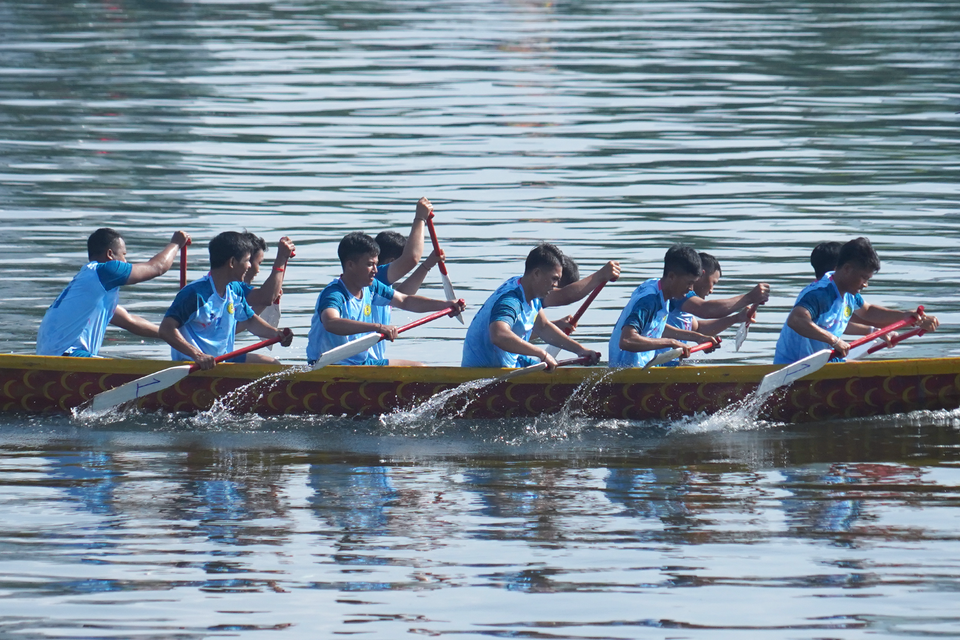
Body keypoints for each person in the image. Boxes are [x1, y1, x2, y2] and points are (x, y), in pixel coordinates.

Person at [306, 231, 465, 367]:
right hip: (328, 367)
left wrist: (444, 305)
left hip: (361, 363)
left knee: (421, 369)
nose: (375, 270)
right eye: (370, 264)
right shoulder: (334, 294)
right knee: (420, 370)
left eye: (376, 264)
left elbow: (405, 300)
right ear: (350, 265)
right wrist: (378, 327)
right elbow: (331, 323)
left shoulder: (372, 287)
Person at [773, 237, 938, 365]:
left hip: (823, 364)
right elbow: (795, 320)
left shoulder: (849, 294)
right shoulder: (820, 293)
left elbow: (869, 311)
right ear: (846, 269)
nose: (865, 284)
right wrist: (835, 341)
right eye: (864, 277)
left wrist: (906, 316)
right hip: (793, 367)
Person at [36, 228, 191, 357]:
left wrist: (171, 335)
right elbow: (158, 267)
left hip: (50, 356)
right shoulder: (106, 271)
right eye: (123, 255)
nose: (125, 262)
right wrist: (176, 243)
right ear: (110, 254)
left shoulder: (89, 286)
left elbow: (130, 321)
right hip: (68, 356)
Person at [160, 232, 293, 369]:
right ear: (232, 262)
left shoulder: (234, 289)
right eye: (247, 260)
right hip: (194, 365)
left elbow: (250, 320)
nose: (249, 266)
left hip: (220, 363)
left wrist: (276, 333)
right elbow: (166, 329)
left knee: (273, 366)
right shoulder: (195, 294)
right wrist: (197, 355)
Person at [461, 243, 599, 371]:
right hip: (483, 372)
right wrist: (542, 354)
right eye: (554, 279)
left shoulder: (530, 293)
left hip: (509, 363)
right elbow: (499, 335)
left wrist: (580, 350)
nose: (556, 285)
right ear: (537, 274)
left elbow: (543, 327)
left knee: (553, 372)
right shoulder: (511, 300)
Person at [608, 245, 720, 368]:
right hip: (628, 373)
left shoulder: (658, 287)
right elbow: (627, 340)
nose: (691, 289)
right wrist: (671, 342)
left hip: (643, 369)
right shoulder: (649, 300)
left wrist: (698, 338)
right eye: (689, 283)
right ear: (672, 276)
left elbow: (654, 327)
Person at [370, 197, 443, 360]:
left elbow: (404, 295)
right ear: (390, 262)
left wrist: (427, 266)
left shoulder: (377, 285)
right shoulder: (375, 276)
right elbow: (411, 258)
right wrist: (420, 218)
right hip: (359, 363)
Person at [653, 252, 756, 365]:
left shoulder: (685, 307)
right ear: (701, 275)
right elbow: (706, 310)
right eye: (713, 283)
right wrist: (749, 297)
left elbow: (699, 329)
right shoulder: (678, 293)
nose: (711, 290)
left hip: (669, 366)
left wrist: (736, 318)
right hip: (655, 367)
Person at [239, 233, 296, 317]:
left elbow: (241, 324)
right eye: (258, 263)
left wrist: (267, 299)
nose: (258, 270)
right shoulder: (229, 286)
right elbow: (266, 297)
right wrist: (281, 258)